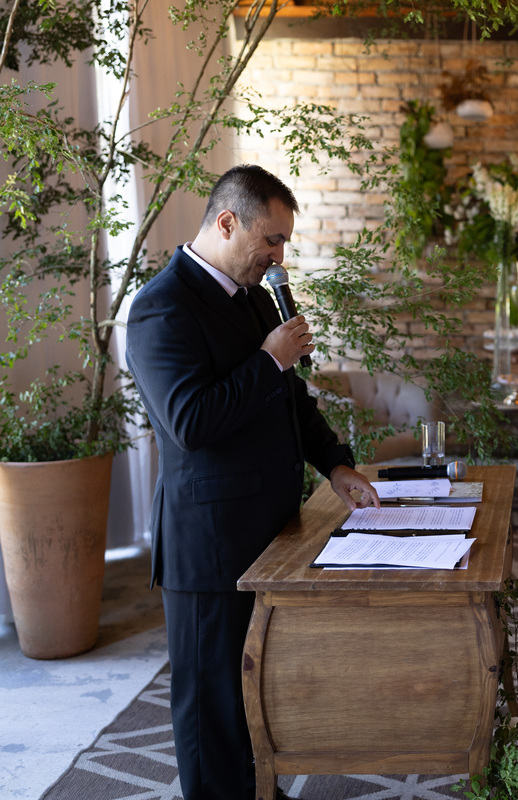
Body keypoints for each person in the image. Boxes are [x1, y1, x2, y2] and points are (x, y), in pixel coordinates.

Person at [126, 165, 381, 800]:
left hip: (270, 532)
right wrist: (269, 358)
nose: (278, 258)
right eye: (271, 240)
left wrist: (336, 464)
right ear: (227, 222)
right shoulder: (161, 306)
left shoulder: (256, 299)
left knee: (257, 690)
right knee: (211, 708)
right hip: (210, 544)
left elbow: (289, 401)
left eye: (283, 243)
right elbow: (190, 422)